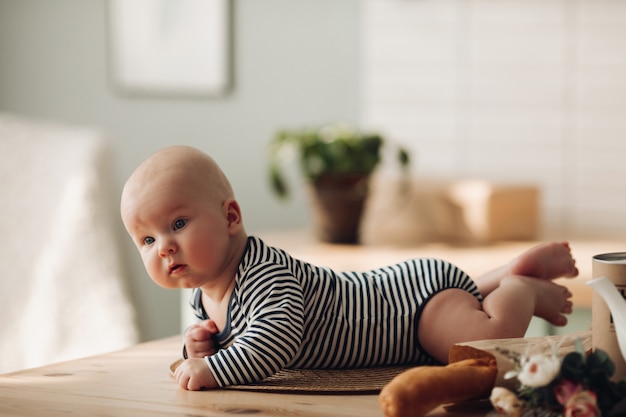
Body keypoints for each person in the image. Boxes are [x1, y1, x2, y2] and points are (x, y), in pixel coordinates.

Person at [120, 145, 579, 391]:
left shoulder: (265, 274)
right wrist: (197, 343)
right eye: (146, 239)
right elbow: (227, 334)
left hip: (413, 314)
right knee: (460, 301)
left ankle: (519, 287)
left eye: (177, 224)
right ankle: (497, 276)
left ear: (231, 217)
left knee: (475, 347)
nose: (164, 247)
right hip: (403, 292)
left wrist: (216, 370)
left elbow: (274, 341)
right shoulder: (206, 292)